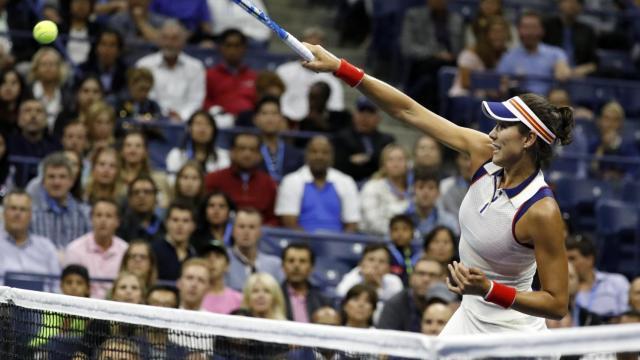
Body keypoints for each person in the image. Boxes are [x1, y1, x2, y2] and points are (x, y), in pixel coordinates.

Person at [303, 39, 573, 334]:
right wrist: (340, 67)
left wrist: (489, 289)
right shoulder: (483, 152)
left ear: (528, 139)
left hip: (513, 334)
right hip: (468, 315)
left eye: (502, 126)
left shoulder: (541, 211)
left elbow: (557, 304)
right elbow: (408, 111)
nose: (492, 133)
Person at [276, 136, 360, 233]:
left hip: (338, 242)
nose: (319, 156)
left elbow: (352, 223)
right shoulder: (291, 181)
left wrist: (340, 246)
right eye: (314, 152)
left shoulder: (346, 181)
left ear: (332, 156)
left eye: (325, 152)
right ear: (306, 155)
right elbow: (290, 223)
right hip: (301, 242)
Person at [136, 20, 205, 121]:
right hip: (152, 121)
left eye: (174, 39)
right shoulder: (144, 65)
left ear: (183, 41)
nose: (169, 43)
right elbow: (145, 97)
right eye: (165, 38)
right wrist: (162, 116)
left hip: (186, 123)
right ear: (159, 40)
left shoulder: (196, 67)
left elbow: (196, 100)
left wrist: (181, 116)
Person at [204, 132, 278, 225]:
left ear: (259, 155)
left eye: (252, 150)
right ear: (231, 152)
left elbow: (273, 219)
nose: (247, 154)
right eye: (242, 149)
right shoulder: (214, 179)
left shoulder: (268, 183)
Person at [276, 27, 345, 122]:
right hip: (284, 121)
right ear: (298, 46)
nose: (310, 52)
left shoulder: (332, 80)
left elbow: (335, 108)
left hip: (314, 125)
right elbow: (274, 102)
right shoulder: (283, 71)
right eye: (308, 47)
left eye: (316, 47)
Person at [64, 199, 128, 299]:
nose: (103, 220)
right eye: (98, 215)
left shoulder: (126, 250)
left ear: (118, 222)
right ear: (91, 219)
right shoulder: (74, 249)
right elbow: (70, 287)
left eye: (108, 216)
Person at [496, 10, 572, 95]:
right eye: (525, 27)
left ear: (542, 30)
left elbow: (564, 72)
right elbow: (500, 85)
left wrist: (561, 70)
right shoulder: (508, 57)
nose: (529, 32)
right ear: (518, 30)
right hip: (519, 103)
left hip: (548, 103)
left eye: (533, 27)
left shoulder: (555, 53)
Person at [29, 152, 90, 252]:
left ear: (71, 181)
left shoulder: (85, 214)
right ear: (43, 182)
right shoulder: (31, 215)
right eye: (51, 177)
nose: (56, 182)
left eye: (62, 177)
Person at [0, 189, 60, 282]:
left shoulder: (46, 247)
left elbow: (56, 285)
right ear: (3, 212)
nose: (17, 214)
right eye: (13, 208)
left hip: (39, 296)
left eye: (23, 209)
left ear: (31, 215)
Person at [332, 96, 395, 183]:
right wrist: (374, 160)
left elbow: (387, 166)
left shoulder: (387, 140)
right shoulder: (342, 137)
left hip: (380, 184)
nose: (365, 117)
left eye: (370, 112)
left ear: (379, 118)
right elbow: (341, 166)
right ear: (354, 115)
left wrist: (367, 158)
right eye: (361, 111)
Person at [567, 235, 630, 321]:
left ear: (589, 259)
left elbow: (628, 318)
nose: (567, 263)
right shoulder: (563, 288)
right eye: (565, 259)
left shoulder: (617, 282)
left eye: (572, 259)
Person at [378, 257, 447, 332]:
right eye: (421, 274)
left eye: (432, 275)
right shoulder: (395, 305)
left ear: (443, 280)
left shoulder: (452, 304)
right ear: (411, 278)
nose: (426, 279)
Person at [449, 16, 510, 97]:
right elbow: (465, 83)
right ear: (486, 34)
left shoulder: (507, 56)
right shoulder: (470, 54)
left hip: (490, 100)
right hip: (464, 98)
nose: (498, 36)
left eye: (502, 32)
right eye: (494, 32)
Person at [336, 243, 404, 317]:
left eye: (382, 261)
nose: (376, 265)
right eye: (371, 260)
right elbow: (341, 297)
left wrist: (378, 287)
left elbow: (398, 310)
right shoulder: (353, 277)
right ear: (361, 264)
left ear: (388, 268)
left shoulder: (394, 281)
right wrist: (366, 282)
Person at [359, 144, 412, 235]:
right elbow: (373, 222)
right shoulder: (372, 187)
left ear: (408, 163)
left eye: (400, 159)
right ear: (383, 165)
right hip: (375, 240)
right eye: (390, 160)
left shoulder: (414, 188)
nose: (396, 164)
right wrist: (400, 234)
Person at [203, 29, 257, 116]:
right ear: (221, 48)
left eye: (237, 46)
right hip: (220, 121)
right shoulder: (210, 75)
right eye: (228, 45)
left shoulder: (254, 77)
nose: (232, 50)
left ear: (244, 48)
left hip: (248, 123)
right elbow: (204, 101)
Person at [8, 99, 61, 187]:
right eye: (27, 111)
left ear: (46, 119)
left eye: (39, 111)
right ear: (19, 118)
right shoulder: (7, 144)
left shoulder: (55, 147)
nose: (33, 115)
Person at [226, 208, 283, 291]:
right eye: (241, 227)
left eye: (252, 227)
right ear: (233, 231)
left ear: (260, 232)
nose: (246, 232)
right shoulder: (223, 261)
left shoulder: (274, 264)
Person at [166, 110, 229, 184]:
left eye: (207, 124)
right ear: (189, 129)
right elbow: (172, 182)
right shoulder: (176, 155)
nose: (202, 129)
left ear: (213, 130)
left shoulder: (223, 156)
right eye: (198, 124)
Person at [254, 96, 303, 183]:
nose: (269, 118)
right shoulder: (250, 152)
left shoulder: (295, 155)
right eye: (264, 113)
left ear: (281, 118)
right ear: (256, 119)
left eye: (274, 113)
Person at [543, 0, 598, 77]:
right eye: (568, 1)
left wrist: (581, 70)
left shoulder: (587, 31)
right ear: (560, 3)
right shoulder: (546, 26)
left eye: (577, 2)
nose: (573, 4)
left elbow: (594, 62)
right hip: (550, 74)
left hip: (578, 77)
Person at [589, 100, 639, 180]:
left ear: (621, 124)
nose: (609, 124)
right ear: (600, 121)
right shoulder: (593, 144)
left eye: (615, 120)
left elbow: (634, 172)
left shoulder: (628, 146)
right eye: (606, 119)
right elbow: (589, 170)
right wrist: (602, 147)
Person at [280, 243, 330, 322]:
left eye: (302, 261)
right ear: (282, 266)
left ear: (311, 268)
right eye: (291, 261)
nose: (296, 266)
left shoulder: (322, 300)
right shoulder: (274, 297)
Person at [405, 167, 459, 238]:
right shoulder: (403, 219)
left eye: (431, 188)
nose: (425, 192)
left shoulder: (449, 222)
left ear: (438, 193)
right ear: (413, 191)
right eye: (421, 187)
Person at [152, 202, 198, 281]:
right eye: (175, 220)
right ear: (166, 223)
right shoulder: (153, 251)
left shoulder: (194, 256)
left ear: (193, 226)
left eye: (185, 221)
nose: (180, 225)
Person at [117, 175, 165, 243]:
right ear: (129, 199)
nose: (141, 196)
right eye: (136, 192)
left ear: (155, 198)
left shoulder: (163, 227)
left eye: (147, 192)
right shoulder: (120, 227)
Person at [200, 240, 243, 314]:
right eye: (207, 256)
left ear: (227, 266)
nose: (212, 260)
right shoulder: (193, 296)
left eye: (218, 256)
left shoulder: (239, 299)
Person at [387, 215, 419, 285]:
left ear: (413, 232)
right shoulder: (386, 253)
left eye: (405, 229)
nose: (400, 234)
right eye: (395, 229)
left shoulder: (420, 254)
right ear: (389, 233)